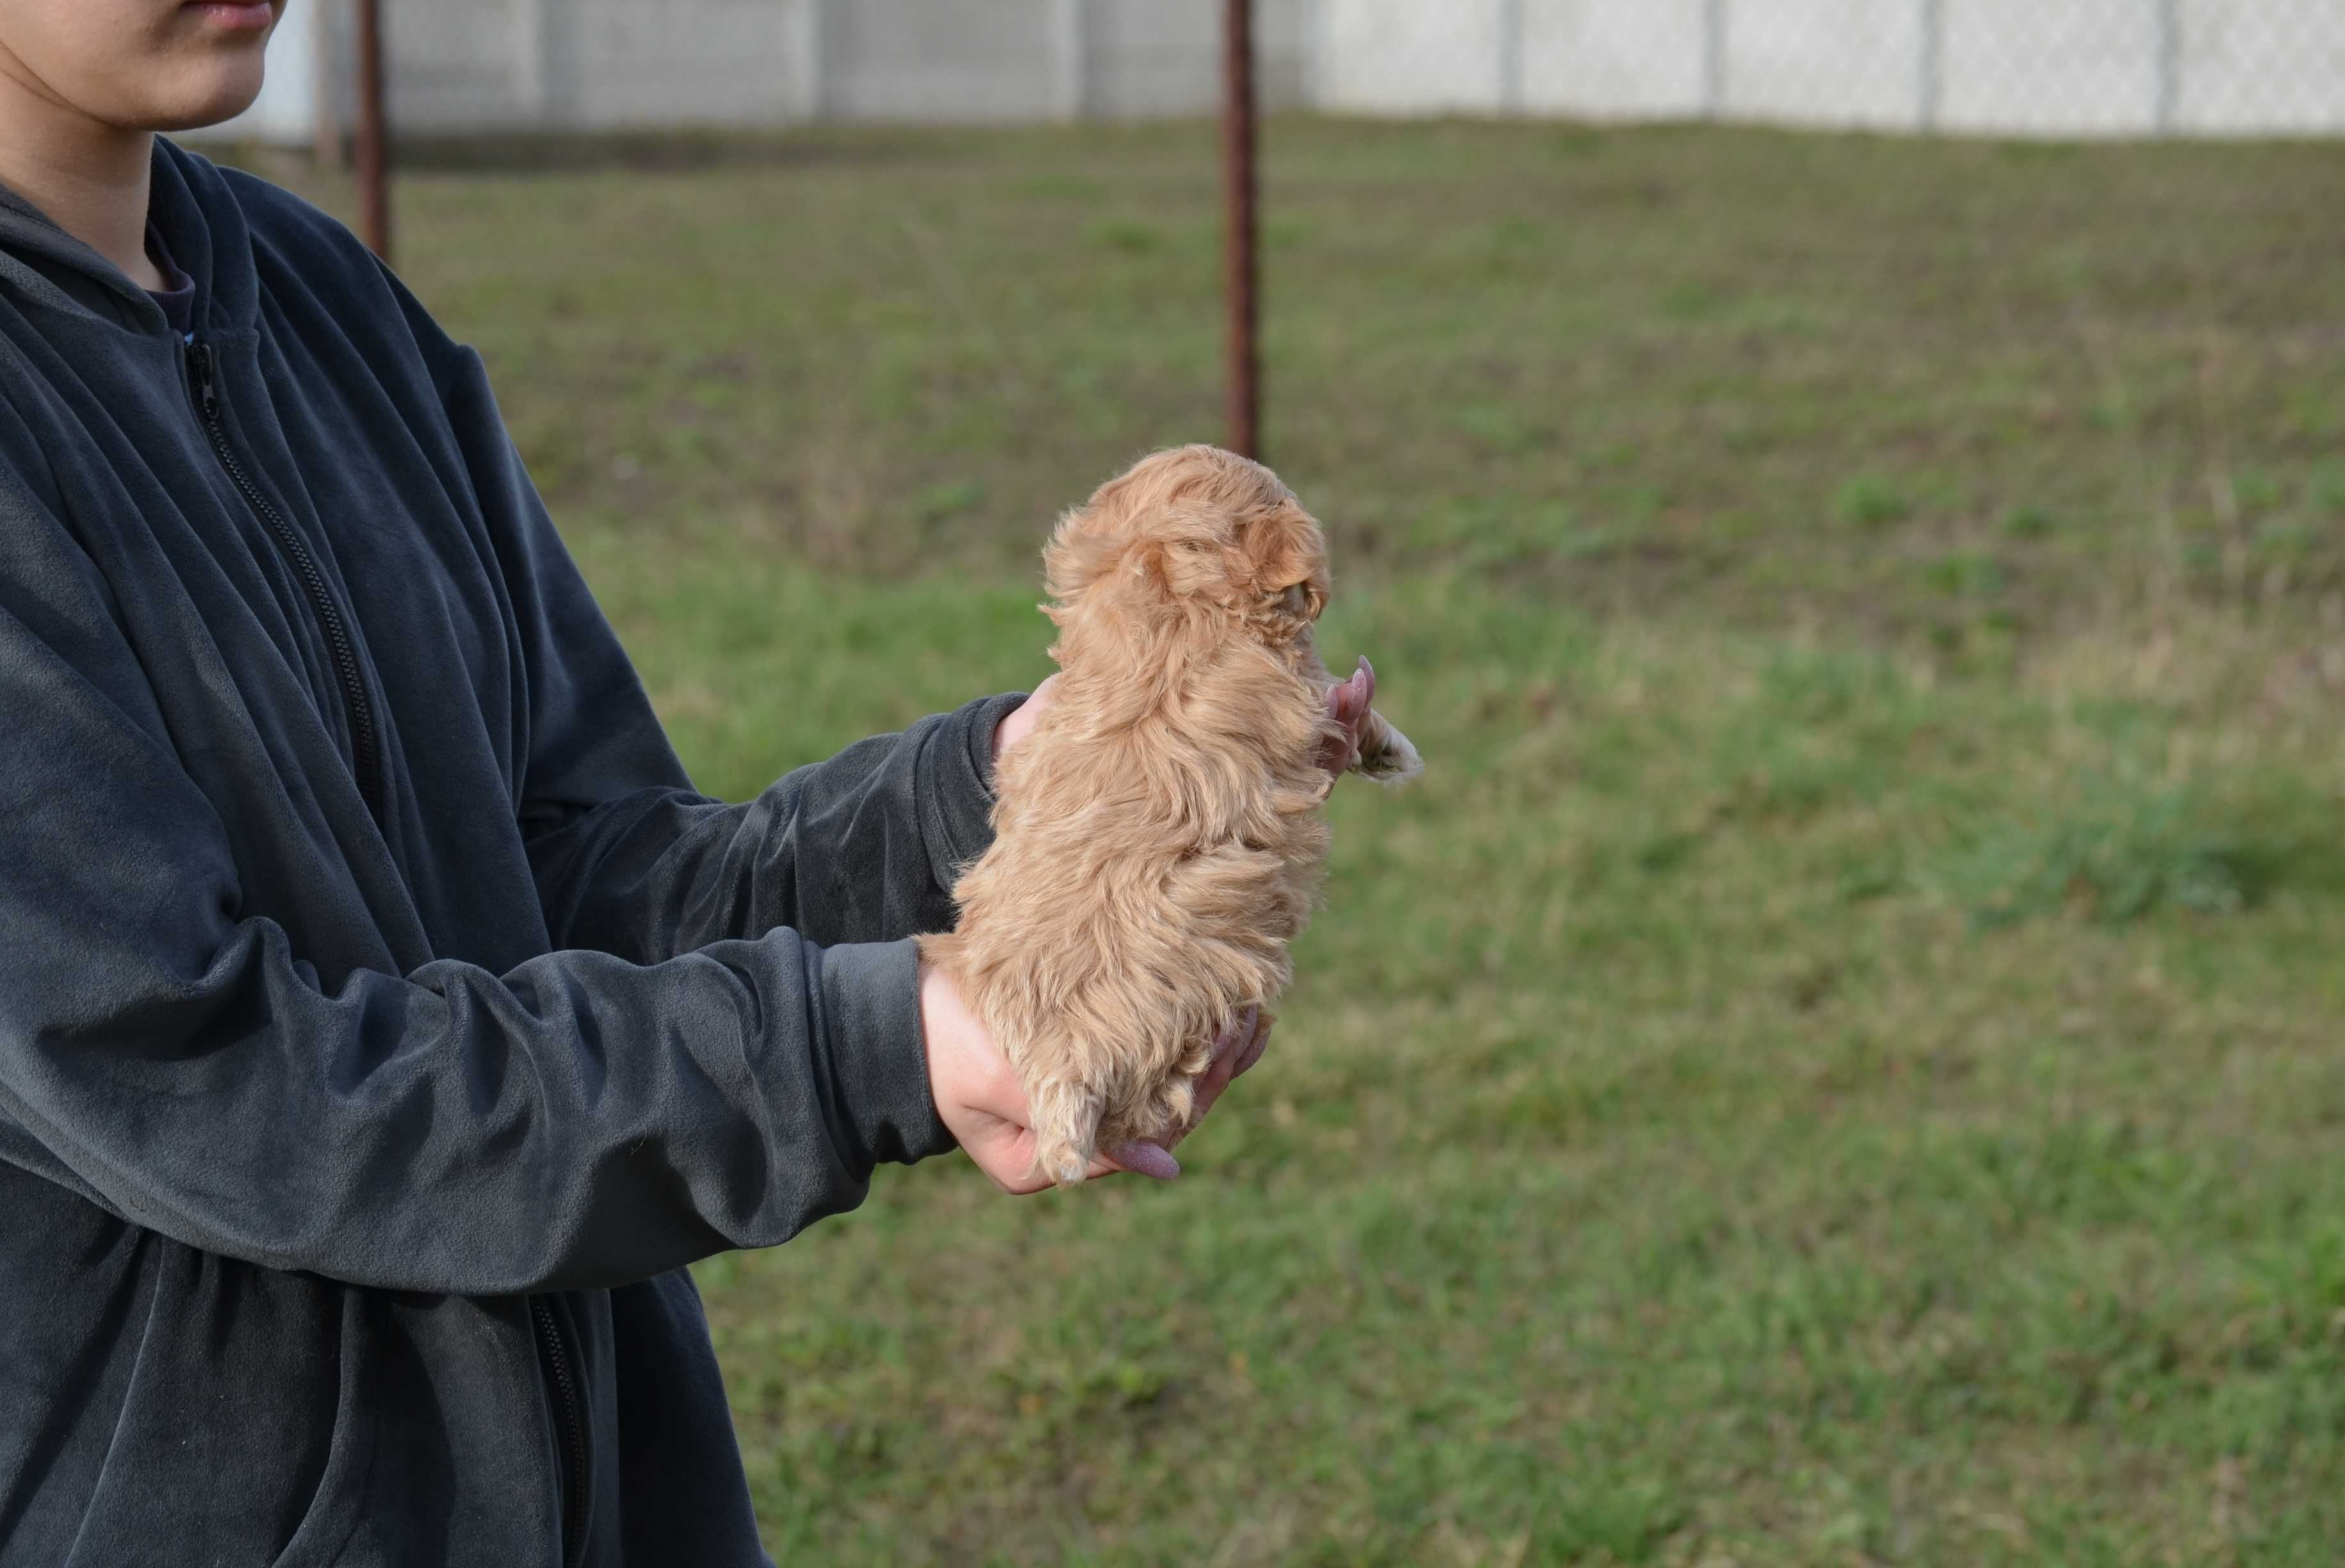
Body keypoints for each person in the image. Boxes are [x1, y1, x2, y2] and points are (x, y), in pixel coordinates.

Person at [0, 3, 1382, 1564]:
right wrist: (874, 1043)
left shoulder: (327, 307)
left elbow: (588, 874)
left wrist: (1019, 789)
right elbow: (220, 1083)